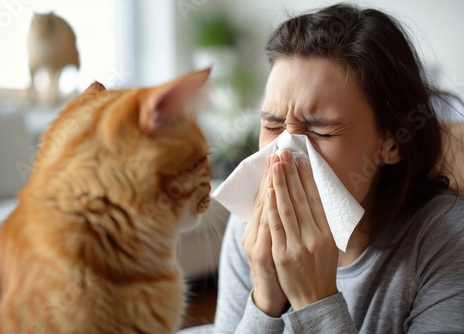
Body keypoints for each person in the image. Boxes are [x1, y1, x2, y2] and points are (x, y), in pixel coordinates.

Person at [179, 3, 464, 334]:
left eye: (320, 132)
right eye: (272, 126)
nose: (286, 152)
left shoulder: (444, 243)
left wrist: (315, 301)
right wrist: (264, 304)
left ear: (393, 142)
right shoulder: (251, 227)